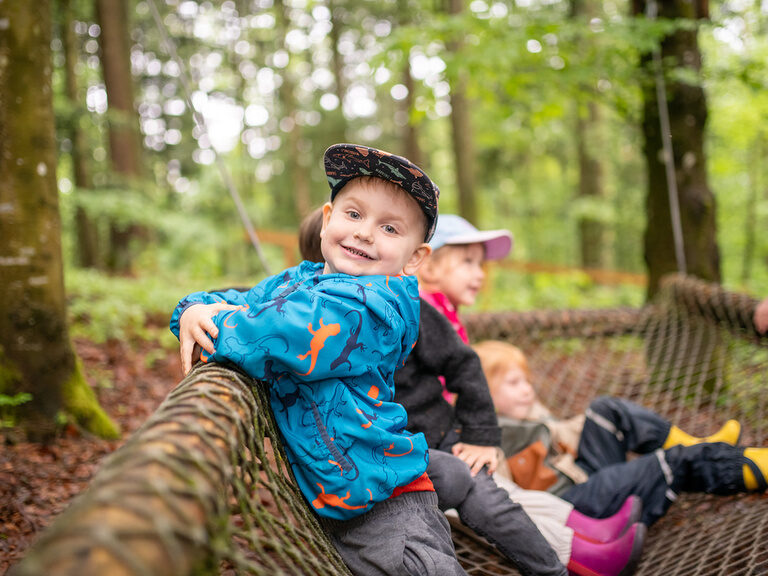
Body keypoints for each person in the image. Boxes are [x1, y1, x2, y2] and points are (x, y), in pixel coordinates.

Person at [171, 143, 465, 576]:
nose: (365, 232)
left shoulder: (376, 307)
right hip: (336, 499)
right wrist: (193, 309)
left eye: (389, 228)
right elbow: (234, 300)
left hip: (388, 504)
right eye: (353, 214)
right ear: (327, 220)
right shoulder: (299, 281)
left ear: (414, 258)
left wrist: (224, 322)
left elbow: (284, 332)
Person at [298, 209, 644, 576]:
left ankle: (570, 556)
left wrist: (480, 436)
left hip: (442, 436)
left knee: (492, 496)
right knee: (484, 496)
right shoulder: (307, 317)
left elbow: (464, 364)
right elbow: (257, 304)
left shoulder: (403, 306)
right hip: (393, 456)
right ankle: (580, 548)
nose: (357, 251)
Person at [473, 339, 768, 526]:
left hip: (586, 477)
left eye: (527, 381)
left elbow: (559, 433)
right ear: (482, 393)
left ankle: (697, 443)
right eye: (514, 383)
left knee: (606, 410)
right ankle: (748, 468)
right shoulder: (483, 439)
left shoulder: (527, 416)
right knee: (670, 461)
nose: (527, 390)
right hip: (569, 508)